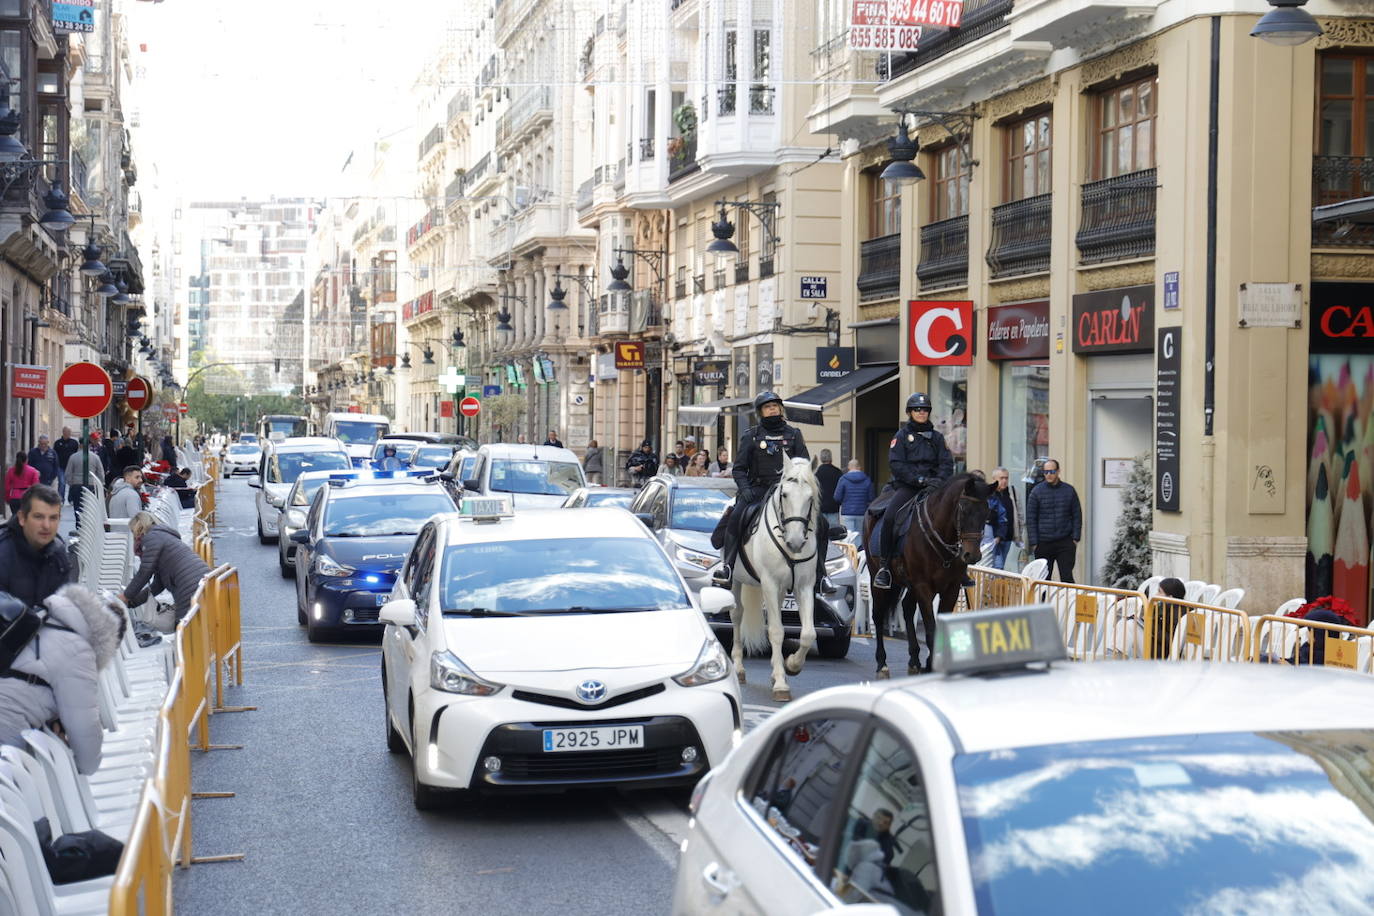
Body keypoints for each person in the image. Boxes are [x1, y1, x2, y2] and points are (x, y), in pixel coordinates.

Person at [713, 391, 835, 597]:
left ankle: (821, 575)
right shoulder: (751, 435)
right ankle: (728, 567)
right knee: (737, 517)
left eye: (776, 406)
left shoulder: (794, 434)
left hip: (789, 491)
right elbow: (739, 468)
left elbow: (804, 466)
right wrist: (745, 489)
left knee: (821, 522)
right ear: (761, 411)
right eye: (768, 406)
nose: (773, 409)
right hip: (759, 490)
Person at [0, 583, 126, 774]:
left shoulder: (40, 616)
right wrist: (80, 767)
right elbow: (86, 734)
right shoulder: (79, 652)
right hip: (7, 727)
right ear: (110, 641)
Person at [873, 393, 954, 590]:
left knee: (957, 516)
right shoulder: (901, 436)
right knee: (891, 517)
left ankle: (959, 567)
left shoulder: (937, 437)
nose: (921, 412)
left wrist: (939, 481)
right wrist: (918, 479)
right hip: (909, 486)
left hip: (935, 487)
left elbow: (946, 462)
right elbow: (896, 464)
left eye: (925, 409)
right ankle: (884, 567)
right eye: (917, 409)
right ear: (910, 412)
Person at [121, 512, 211, 625]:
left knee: (186, 627)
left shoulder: (152, 538)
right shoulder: (162, 537)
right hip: (201, 580)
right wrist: (132, 602)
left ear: (138, 527)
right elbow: (157, 586)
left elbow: (145, 572)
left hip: (189, 586)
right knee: (196, 626)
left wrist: (125, 596)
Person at [0, 485, 72, 608]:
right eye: (39, 517)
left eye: (53, 518)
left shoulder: (58, 554)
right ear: (22, 518)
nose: (46, 525)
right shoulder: (3, 555)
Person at [1026, 458, 1082, 583]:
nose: (1048, 475)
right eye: (1045, 472)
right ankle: (1043, 602)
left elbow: (1077, 515)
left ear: (1058, 471)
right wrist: (1034, 543)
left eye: (1051, 471)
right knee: (1043, 580)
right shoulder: (1036, 492)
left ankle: (1068, 602)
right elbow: (1031, 518)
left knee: (1067, 577)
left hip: (1065, 541)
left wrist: (1075, 538)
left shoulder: (1069, 490)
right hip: (1043, 542)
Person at [835, 459, 876, 551]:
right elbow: (871, 498)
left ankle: (850, 557)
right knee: (860, 537)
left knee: (849, 537)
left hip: (847, 512)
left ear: (849, 467)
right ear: (859, 467)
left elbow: (837, 497)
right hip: (862, 512)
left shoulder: (843, 479)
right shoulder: (867, 479)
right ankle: (858, 557)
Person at [65, 439, 104, 525]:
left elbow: (68, 473)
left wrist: (71, 483)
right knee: (90, 507)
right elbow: (100, 472)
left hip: (76, 485)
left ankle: (79, 525)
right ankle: (89, 525)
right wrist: (100, 483)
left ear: (80, 445)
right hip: (91, 485)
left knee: (77, 507)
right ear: (89, 446)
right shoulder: (95, 457)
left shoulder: (73, 457)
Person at [987, 467, 1017, 570]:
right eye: (1001, 478)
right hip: (993, 538)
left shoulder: (1012, 492)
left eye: (1006, 478)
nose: (1004, 481)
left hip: (1007, 536)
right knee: (996, 567)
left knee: (1001, 565)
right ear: (994, 478)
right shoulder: (989, 494)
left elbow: (1018, 514)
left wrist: (1018, 534)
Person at [814, 449, 843, 529]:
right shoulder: (838, 472)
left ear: (821, 458)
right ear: (831, 459)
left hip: (820, 508)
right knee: (834, 534)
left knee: (821, 532)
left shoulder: (816, 473)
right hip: (833, 507)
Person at [4, 450, 39, 516]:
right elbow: (36, 487)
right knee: (26, 518)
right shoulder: (33, 471)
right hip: (27, 497)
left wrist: (8, 498)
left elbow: (7, 487)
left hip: (14, 497)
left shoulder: (11, 471)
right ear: (26, 460)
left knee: (15, 517)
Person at [53, 427, 79, 502]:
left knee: (72, 484)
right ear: (63, 432)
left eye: (69, 432)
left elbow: (76, 453)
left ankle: (70, 499)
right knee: (62, 483)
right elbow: (55, 455)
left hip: (72, 467)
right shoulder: (57, 443)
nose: (68, 434)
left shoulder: (74, 443)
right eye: (66, 432)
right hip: (61, 467)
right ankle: (61, 499)